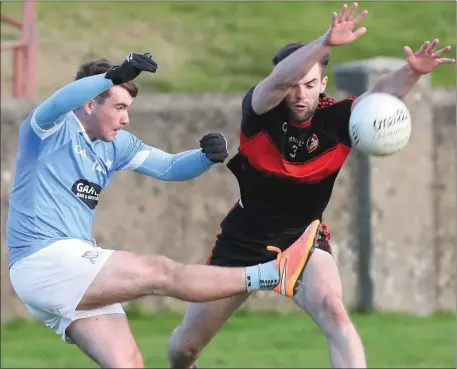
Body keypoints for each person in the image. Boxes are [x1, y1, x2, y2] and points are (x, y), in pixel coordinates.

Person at [167, 3, 456, 369]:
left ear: (322, 84)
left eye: (310, 84)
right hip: (242, 243)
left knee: (335, 313)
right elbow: (277, 81)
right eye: (293, 85)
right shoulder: (260, 112)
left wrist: (412, 72)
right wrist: (325, 42)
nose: (300, 95)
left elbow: (381, 96)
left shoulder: (338, 119)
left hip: (303, 241)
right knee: (185, 348)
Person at [6, 52, 321, 368]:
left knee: (129, 363)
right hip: (44, 260)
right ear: (90, 103)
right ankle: (272, 274)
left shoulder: (116, 145)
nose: (125, 118)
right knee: (160, 272)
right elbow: (60, 101)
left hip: (68, 271)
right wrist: (113, 76)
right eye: (118, 107)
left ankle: (273, 274)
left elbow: (169, 166)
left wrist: (204, 158)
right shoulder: (48, 129)